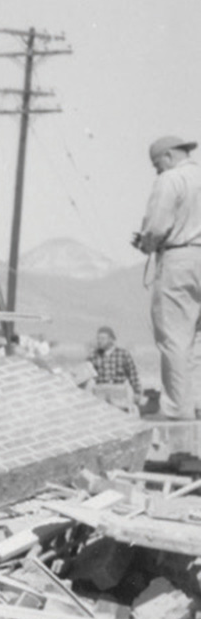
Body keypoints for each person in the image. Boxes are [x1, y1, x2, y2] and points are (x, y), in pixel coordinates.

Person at [135, 134, 201, 418]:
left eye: (156, 164)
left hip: (180, 258)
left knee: (175, 338)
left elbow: (157, 225)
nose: (157, 170)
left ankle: (177, 413)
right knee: (197, 341)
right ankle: (196, 404)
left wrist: (145, 242)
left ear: (168, 157)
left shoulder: (171, 179)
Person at [88, 324, 142, 410]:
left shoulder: (123, 354)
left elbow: (133, 376)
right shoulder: (93, 356)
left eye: (103, 338)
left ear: (111, 340)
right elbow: (86, 377)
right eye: (98, 338)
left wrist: (137, 393)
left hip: (119, 391)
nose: (99, 341)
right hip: (100, 391)